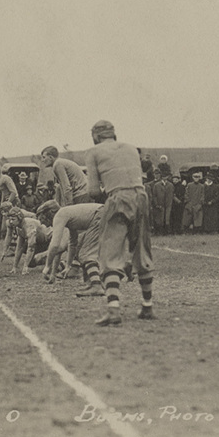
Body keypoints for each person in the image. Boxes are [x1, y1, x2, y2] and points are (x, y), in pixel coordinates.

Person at [85, 120, 155, 325]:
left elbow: (93, 191)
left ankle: (114, 309)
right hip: (141, 197)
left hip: (118, 198)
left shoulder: (93, 152)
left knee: (110, 253)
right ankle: (147, 305)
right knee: (142, 249)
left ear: (96, 136)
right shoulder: (131, 148)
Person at [42, 202, 104, 297]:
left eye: (42, 216)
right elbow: (72, 244)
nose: (43, 221)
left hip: (100, 214)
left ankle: (96, 285)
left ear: (50, 212)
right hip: (103, 213)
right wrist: (68, 266)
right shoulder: (69, 216)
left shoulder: (60, 214)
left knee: (86, 254)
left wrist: (47, 266)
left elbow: (54, 245)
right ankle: (90, 284)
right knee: (82, 252)